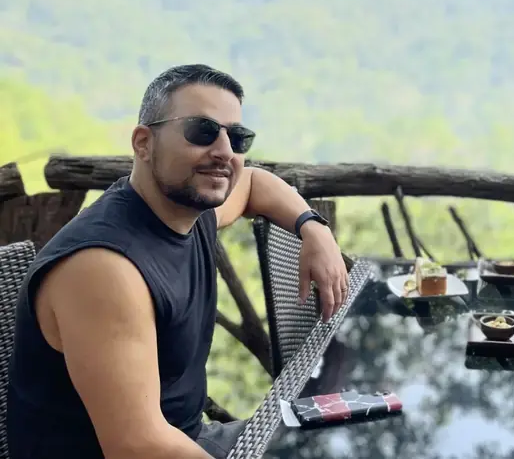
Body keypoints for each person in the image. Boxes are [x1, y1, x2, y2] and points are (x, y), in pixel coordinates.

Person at [6, 64, 350, 459]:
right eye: (201, 132)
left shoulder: (189, 212)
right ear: (143, 143)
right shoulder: (103, 268)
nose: (224, 152)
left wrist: (313, 227)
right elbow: (136, 445)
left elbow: (253, 182)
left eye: (238, 138)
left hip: (189, 439)